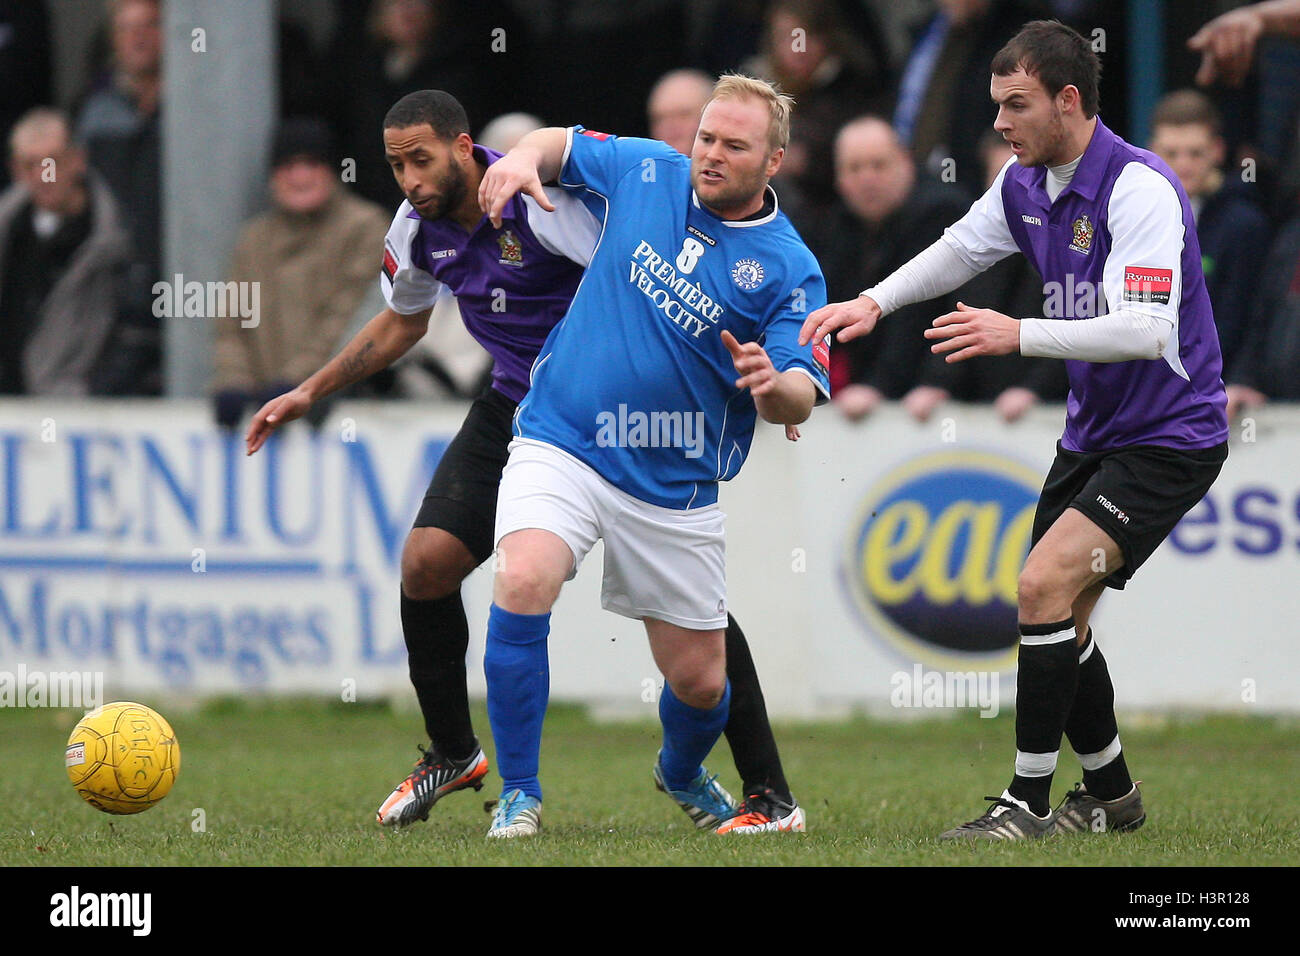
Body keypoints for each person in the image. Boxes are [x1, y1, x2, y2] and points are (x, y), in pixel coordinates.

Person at [245, 88, 810, 837]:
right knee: (434, 565)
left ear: (462, 145)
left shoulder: (557, 206)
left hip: (653, 434)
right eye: (394, 166)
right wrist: (311, 390)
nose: (409, 180)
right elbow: (403, 320)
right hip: (537, 411)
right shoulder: (417, 230)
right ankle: (464, 759)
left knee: (699, 650)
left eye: (420, 159)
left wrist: (772, 391)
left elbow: (640, 270)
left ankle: (755, 785)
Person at [802, 21, 1229, 840]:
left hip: (1170, 435)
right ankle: (1113, 797)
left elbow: (1145, 328)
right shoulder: (1022, 183)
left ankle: (1025, 803)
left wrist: (1018, 332)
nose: (1000, 120)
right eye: (997, 102)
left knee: (1039, 587)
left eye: (1017, 104)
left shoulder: (1138, 188)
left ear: (1069, 100)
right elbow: (961, 248)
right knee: (1058, 612)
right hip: (1095, 431)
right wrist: (873, 302)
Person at [474, 73, 829, 837]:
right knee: (523, 575)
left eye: (735, 145)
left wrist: (774, 387)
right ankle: (521, 793)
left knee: (702, 685)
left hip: (672, 485)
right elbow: (558, 145)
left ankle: (677, 770)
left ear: (773, 161)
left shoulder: (788, 266)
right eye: (706, 137)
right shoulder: (646, 168)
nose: (710, 155)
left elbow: (801, 389)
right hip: (563, 437)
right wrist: (518, 162)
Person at [211, 118, 390, 429]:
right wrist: (234, 381)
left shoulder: (366, 228)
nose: (299, 176)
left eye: (312, 164)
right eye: (287, 166)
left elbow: (351, 318)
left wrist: (301, 384)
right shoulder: (254, 239)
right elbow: (231, 324)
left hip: (339, 410)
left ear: (332, 170)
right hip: (266, 410)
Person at [0, 108, 130, 395]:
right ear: (15, 170)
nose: (42, 176)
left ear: (77, 161)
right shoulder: (9, 231)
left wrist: (95, 390)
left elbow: (131, 331)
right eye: (30, 165)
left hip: (79, 413)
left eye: (52, 162)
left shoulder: (114, 239)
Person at [1149, 89, 1270, 375]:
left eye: (1195, 153)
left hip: (1215, 389)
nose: (1183, 164)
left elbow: (1248, 318)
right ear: (1153, 150)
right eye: (1171, 153)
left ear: (1217, 151)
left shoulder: (1244, 224)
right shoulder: (1134, 219)